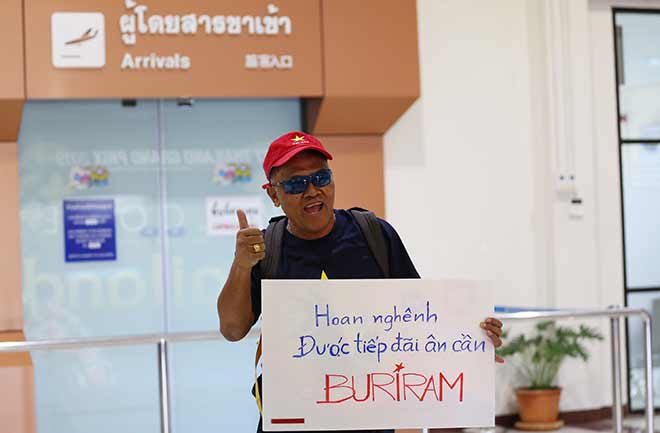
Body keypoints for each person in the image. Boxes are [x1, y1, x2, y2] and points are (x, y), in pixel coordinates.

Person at [217, 131, 503, 433]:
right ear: (274, 195)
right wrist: (241, 265)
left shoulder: (374, 234)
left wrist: (473, 343)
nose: (312, 190)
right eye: (296, 183)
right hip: (293, 421)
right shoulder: (264, 249)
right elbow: (233, 329)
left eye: (321, 178)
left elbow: (421, 321)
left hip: (368, 419)